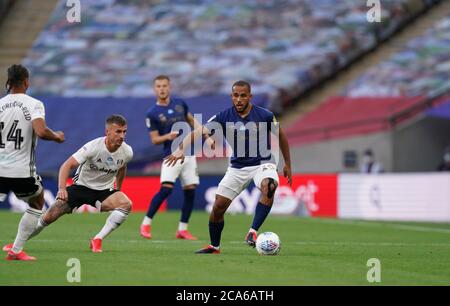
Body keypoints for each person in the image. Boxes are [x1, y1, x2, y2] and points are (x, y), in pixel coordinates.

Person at [165, 80, 293, 254]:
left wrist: (287, 164)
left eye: (242, 95)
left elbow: (282, 136)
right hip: (237, 168)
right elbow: (200, 131)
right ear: (231, 96)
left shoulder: (265, 115)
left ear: (250, 97)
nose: (238, 99)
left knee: (269, 185)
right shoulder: (224, 116)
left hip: (263, 164)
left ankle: (253, 232)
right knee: (218, 208)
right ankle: (214, 246)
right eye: (235, 95)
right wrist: (181, 149)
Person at [3, 115, 133, 259]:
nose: (122, 136)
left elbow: (122, 167)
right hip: (81, 188)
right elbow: (67, 165)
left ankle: (97, 239)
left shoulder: (127, 152)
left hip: (103, 191)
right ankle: (17, 244)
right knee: (48, 216)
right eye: (118, 131)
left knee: (126, 204)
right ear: (107, 132)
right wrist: (62, 188)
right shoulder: (93, 147)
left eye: (124, 132)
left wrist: (118, 189)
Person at [0, 64, 65, 261]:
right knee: (37, 202)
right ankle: (16, 250)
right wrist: (56, 137)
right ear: (26, 82)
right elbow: (41, 130)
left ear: (9, 82)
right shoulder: (34, 104)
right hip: (21, 171)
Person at [140, 75, 202, 240]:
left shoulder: (180, 104)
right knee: (166, 189)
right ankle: (146, 223)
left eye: (164, 85)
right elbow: (154, 140)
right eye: (158, 86)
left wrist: (206, 135)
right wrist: (167, 136)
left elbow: (191, 120)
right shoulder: (152, 113)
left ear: (169, 87)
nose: (162, 89)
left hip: (189, 154)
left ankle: (182, 229)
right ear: (155, 89)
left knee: (190, 191)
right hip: (171, 156)